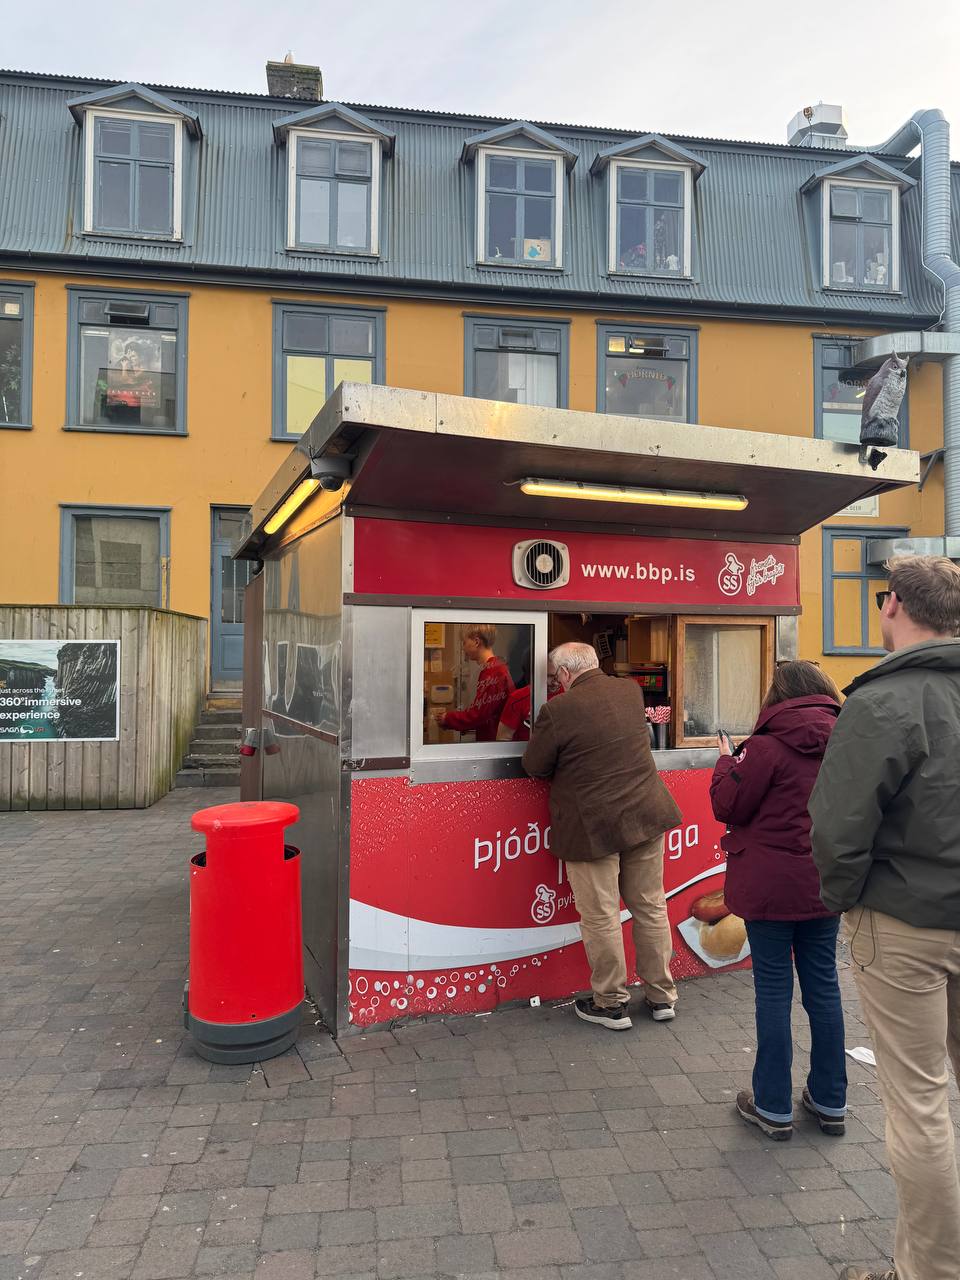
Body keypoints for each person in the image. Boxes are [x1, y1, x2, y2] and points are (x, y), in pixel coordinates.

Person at [809, 555, 960, 1280]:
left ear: (892, 604)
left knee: (920, 1105)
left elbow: (838, 829)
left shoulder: (882, 701)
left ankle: (928, 1271)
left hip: (905, 924)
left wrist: (845, 901)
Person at [709, 660, 846, 1143]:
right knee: (825, 989)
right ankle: (831, 1100)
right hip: (826, 881)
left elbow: (728, 806)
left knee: (773, 990)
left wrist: (726, 760)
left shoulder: (764, 747)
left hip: (769, 887)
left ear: (778, 696)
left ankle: (771, 1106)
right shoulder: (848, 738)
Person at [522, 641, 682, 1030]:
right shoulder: (629, 690)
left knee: (601, 915)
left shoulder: (557, 710)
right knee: (650, 905)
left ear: (563, 675)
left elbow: (535, 766)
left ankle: (611, 1003)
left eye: (555, 675)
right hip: (644, 814)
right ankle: (662, 997)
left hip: (592, 825)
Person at [435, 624, 513, 743]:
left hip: (494, 743)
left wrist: (447, 718)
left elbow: (478, 715)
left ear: (476, 642)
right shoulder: (495, 668)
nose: (463, 648)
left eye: (464, 643)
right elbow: (487, 713)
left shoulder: (493, 672)